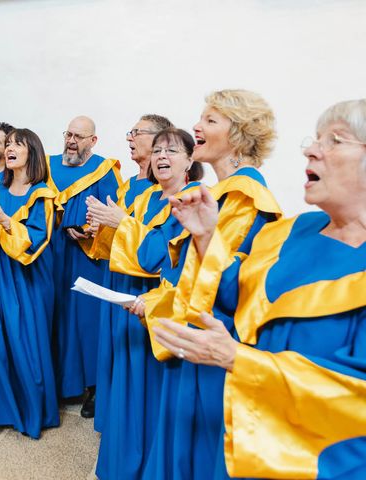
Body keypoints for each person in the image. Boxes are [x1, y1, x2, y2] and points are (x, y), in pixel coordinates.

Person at [153, 99, 366, 479]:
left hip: (312, 456)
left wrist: (240, 360)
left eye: (334, 140)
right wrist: (206, 236)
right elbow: (244, 294)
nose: (311, 149)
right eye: (315, 139)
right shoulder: (293, 231)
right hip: (249, 426)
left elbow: (356, 394)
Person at [132, 90, 282, 479]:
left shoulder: (247, 197)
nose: (196, 126)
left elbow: (230, 286)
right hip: (191, 331)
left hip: (214, 338)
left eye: (211, 120)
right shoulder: (216, 192)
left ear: (240, 134)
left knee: (198, 449)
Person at [87, 127, 203, 480]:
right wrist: (103, 227)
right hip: (127, 299)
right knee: (127, 383)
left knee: (153, 389)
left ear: (190, 160)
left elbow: (165, 259)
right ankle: (123, 463)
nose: (161, 157)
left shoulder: (194, 200)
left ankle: (152, 464)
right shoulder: (145, 197)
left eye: (171, 151)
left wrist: (122, 224)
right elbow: (118, 249)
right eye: (157, 151)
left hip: (159, 305)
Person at [0, 128, 60, 438]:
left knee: (26, 343)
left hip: (29, 278)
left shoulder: (42, 193)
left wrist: (6, 222)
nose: (10, 148)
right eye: (8, 144)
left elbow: (37, 240)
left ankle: (32, 411)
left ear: (32, 151)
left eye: (17, 144)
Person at [84, 113, 172, 432]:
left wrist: (119, 222)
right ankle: (115, 417)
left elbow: (161, 244)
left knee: (139, 357)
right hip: (117, 276)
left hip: (143, 282)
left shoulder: (166, 189)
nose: (129, 138)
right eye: (130, 132)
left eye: (137, 132)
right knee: (116, 348)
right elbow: (115, 233)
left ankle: (139, 423)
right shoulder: (129, 185)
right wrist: (100, 227)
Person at [48, 115, 122, 418]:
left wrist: (94, 229)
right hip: (51, 251)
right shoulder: (48, 166)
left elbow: (114, 208)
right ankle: (62, 384)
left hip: (86, 256)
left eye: (79, 136)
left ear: (93, 141)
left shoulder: (104, 169)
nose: (71, 141)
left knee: (86, 319)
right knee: (56, 314)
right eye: (69, 134)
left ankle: (93, 387)